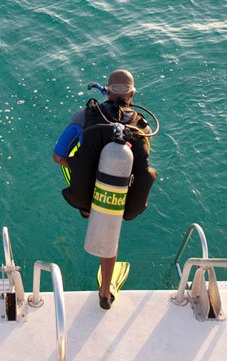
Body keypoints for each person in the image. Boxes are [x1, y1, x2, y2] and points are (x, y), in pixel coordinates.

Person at [53, 69, 157, 309]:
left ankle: (86, 208)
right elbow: (143, 165)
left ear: (108, 91)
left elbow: (58, 155)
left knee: (69, 158)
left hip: (85, 195)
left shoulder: (84, 117)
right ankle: (105, 291)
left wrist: (79, 168)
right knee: (111, 227)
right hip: (118, 200)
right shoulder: (142, 125)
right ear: (131, 95)